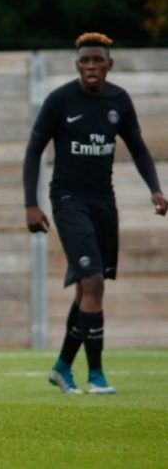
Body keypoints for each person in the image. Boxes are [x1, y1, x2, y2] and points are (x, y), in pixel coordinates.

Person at [23, 32, 167, 395]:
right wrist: (31, 203)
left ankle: (61, 367)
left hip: (105, 201)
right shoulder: (59, 100)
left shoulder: (119, 100)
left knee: (87, 288)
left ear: (109, 64)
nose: (90, 66)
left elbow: (139, 149)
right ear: (77, 65)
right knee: (94, 283)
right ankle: (97, 375)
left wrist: (155, 190)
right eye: (84, 60)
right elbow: (33, 150)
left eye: (97, 60)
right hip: (68, 200)